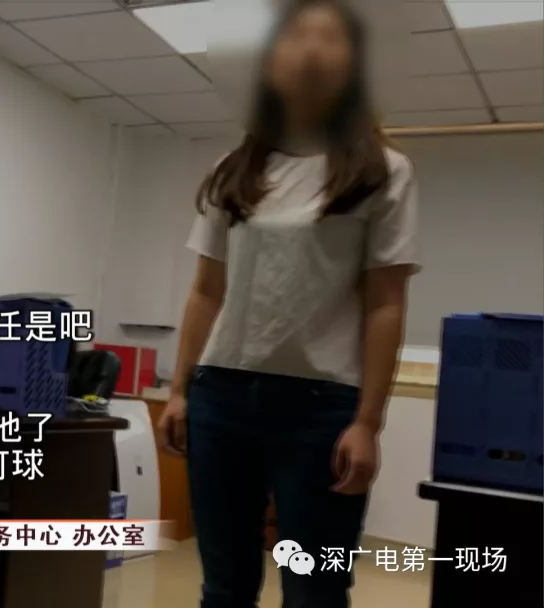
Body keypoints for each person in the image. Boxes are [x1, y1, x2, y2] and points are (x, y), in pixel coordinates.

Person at [155, 1, 418, 607]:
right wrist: (181, 390)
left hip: (323, 406)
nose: (312, 49)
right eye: (297, 36)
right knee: (224, 586)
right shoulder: (233, 169)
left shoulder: (384, 171)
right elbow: (207, 290)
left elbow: (386, 305)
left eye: (331, 38)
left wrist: (368, 423)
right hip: (222, 396)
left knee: (315, 589)